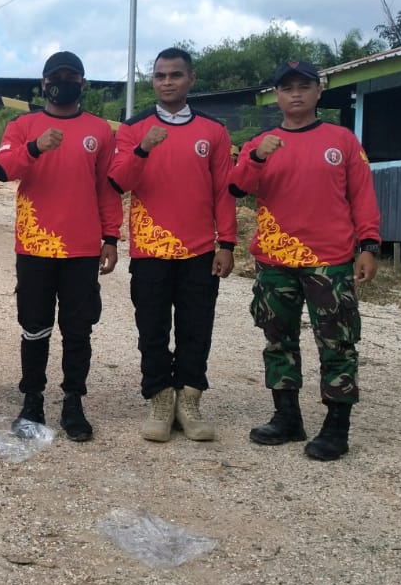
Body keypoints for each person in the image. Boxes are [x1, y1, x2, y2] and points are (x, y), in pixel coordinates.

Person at [228, 60, 381, 461]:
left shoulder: (343, 141)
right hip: (276, 259)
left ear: (319, 91)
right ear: (275, 95)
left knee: (337, 341)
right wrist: (258, 157)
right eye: (286, 87)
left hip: (329, 259)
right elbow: (236, 187)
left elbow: (362, 195)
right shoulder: (260, 143)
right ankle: (287, 416)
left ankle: (336, 426)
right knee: (278, 337)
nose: (295, 93)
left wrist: (369, 245)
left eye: (304, 85)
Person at [109, 47, 238, 443]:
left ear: (191, 79)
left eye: (176, 75)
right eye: (161, 75)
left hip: (199, 249)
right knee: (152, 327)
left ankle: (190, 398)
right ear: (153, 80)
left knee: (196, 327)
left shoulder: (213, 132)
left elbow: (224, 191)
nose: (168, 82)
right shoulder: (134, 129)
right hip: (150, 249)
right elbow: (118, 182)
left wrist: (227, 243)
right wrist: (144, 148)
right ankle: (160, 397)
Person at [0, 51, 121, 441]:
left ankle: (73, 401)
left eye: (71, 76)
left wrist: (111, 237)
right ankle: (32, 400)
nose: (62, 82)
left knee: (78, 329)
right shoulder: (23, 124)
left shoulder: (100, 130)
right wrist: (34, 148)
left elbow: (107, 188)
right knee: (34, 327)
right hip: (35, 245)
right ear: (43, 83)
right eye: (55, 76)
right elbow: (1, 171)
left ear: (82, 83)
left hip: (82, 248)